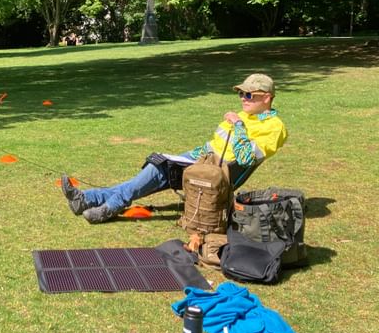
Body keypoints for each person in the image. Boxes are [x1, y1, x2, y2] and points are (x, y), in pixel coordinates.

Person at [61, 73, 288, 223]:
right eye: (240, 94)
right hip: (203, 160)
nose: (243, 99)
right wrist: (184, 157)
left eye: (249, 95)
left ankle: (106, 205)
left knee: (157, 170)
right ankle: (88, 199)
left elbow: (245, 159)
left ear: (266, 98)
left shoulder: (274, 127)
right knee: (158, 165)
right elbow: (213, 144)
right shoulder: (244, 115)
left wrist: (238, 125)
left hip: (218, 174)